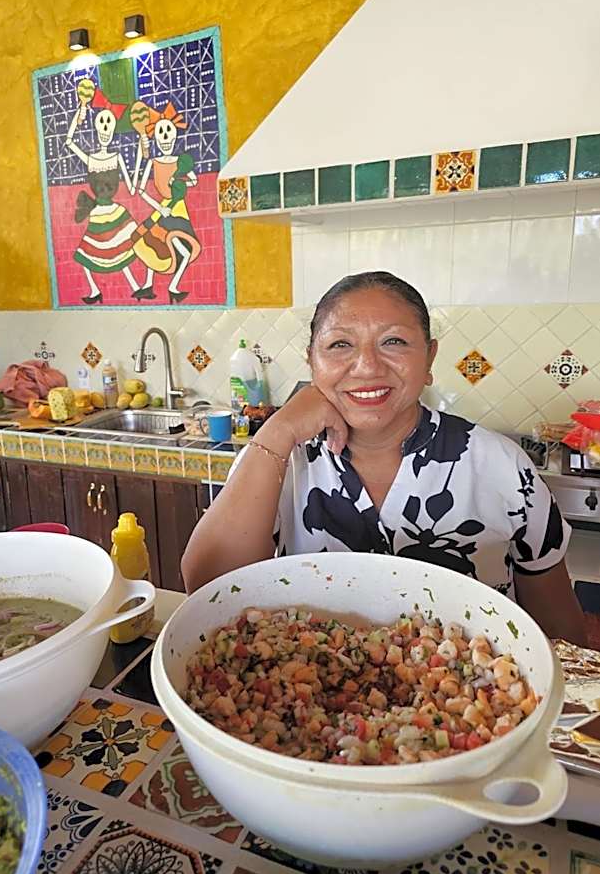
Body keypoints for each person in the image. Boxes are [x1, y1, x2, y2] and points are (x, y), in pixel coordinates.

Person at [182, 271, 587, 646]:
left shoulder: (501, 466)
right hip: (309, 700)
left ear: (428, 359)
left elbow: (561, 633)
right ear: (312, 361)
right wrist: (277, 429)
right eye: (340, 344)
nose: (367, 366)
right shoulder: (279, 458)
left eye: (393, 341)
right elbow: (206, 587)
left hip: (470, 704)